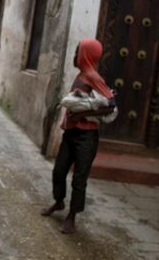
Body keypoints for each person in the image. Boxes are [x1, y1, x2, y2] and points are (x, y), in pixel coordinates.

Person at [40, 39, 116, 234]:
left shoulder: (93, 76)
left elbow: (110, 104)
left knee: (79, 178)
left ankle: (72, 216)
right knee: (59, 171)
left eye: (77, 52)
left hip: (86, 137)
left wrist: (82, 114)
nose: (75, 56)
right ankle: (59, 202)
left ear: (86, 55)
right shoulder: (81, 75)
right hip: (71, 134)